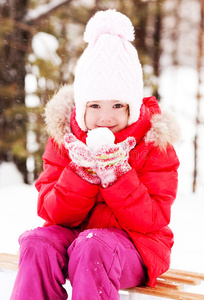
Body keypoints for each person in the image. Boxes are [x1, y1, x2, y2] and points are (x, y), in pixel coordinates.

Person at [11, 9, 180, 300]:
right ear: (80, 106)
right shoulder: (66, 139)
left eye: (117, 106)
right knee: (37, 242)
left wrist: (118, 177)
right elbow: (51, 213)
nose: (105, 118)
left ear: (132, 108)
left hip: (136, 245)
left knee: (93, 246)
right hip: (75, 237)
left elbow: (153, 219)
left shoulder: (153, 143)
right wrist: (82, 174)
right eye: (95, 106)